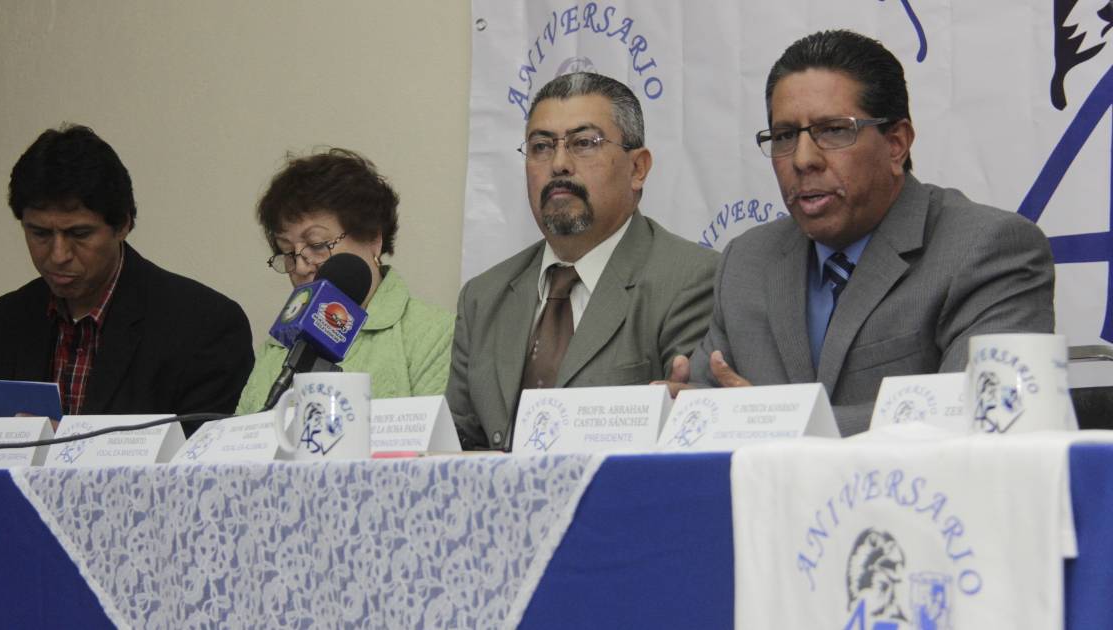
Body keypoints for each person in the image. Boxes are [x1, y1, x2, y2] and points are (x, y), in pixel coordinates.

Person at [672, 30, 1055, 436]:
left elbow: (980, 416)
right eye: (784, 136)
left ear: (896, 144)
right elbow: (710, 401)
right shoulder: (746, 261)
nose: (802, 159)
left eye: (834, 130)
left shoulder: (988, 249)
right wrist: (678, 409)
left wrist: (773, 423)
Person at [0, 124, 254, 465]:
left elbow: (206, 468)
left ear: (123, 225)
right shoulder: (1, 323)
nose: (58, 255)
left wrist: (66, 450)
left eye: (79, 234)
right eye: (40, 233)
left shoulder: (203, 324)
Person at [449, 72, 720, 450]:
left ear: (638, 168)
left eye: (583, 143)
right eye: (541, 146)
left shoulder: (691, 280)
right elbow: (454, 447)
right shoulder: (483, 297)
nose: (559, 163)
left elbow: (692, 439)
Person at [234, 148, 453, 414]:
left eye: (317, 244)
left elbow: (435, 435)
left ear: (373, 238)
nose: (300, 266)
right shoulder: (279, 344)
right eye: (288, 252)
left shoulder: (434, 333)